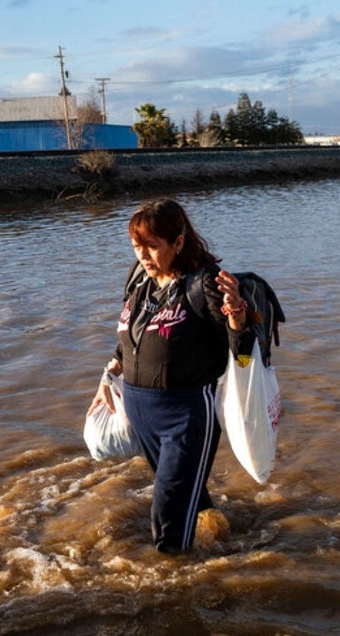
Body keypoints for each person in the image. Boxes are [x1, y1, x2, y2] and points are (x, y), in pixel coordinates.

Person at [88, 198, 254, 553]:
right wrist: (107, 378)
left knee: (167, 516)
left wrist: (237, 313)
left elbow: (241, 349)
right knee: (184, 494)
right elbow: (127, 340)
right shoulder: (139, 279)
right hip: (140, 411)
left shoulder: (204, 284)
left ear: (178, 242)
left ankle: (175, 582)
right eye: (136, 247)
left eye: (152, 246)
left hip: (185, 415)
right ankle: (224, 536)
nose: (143, 256)